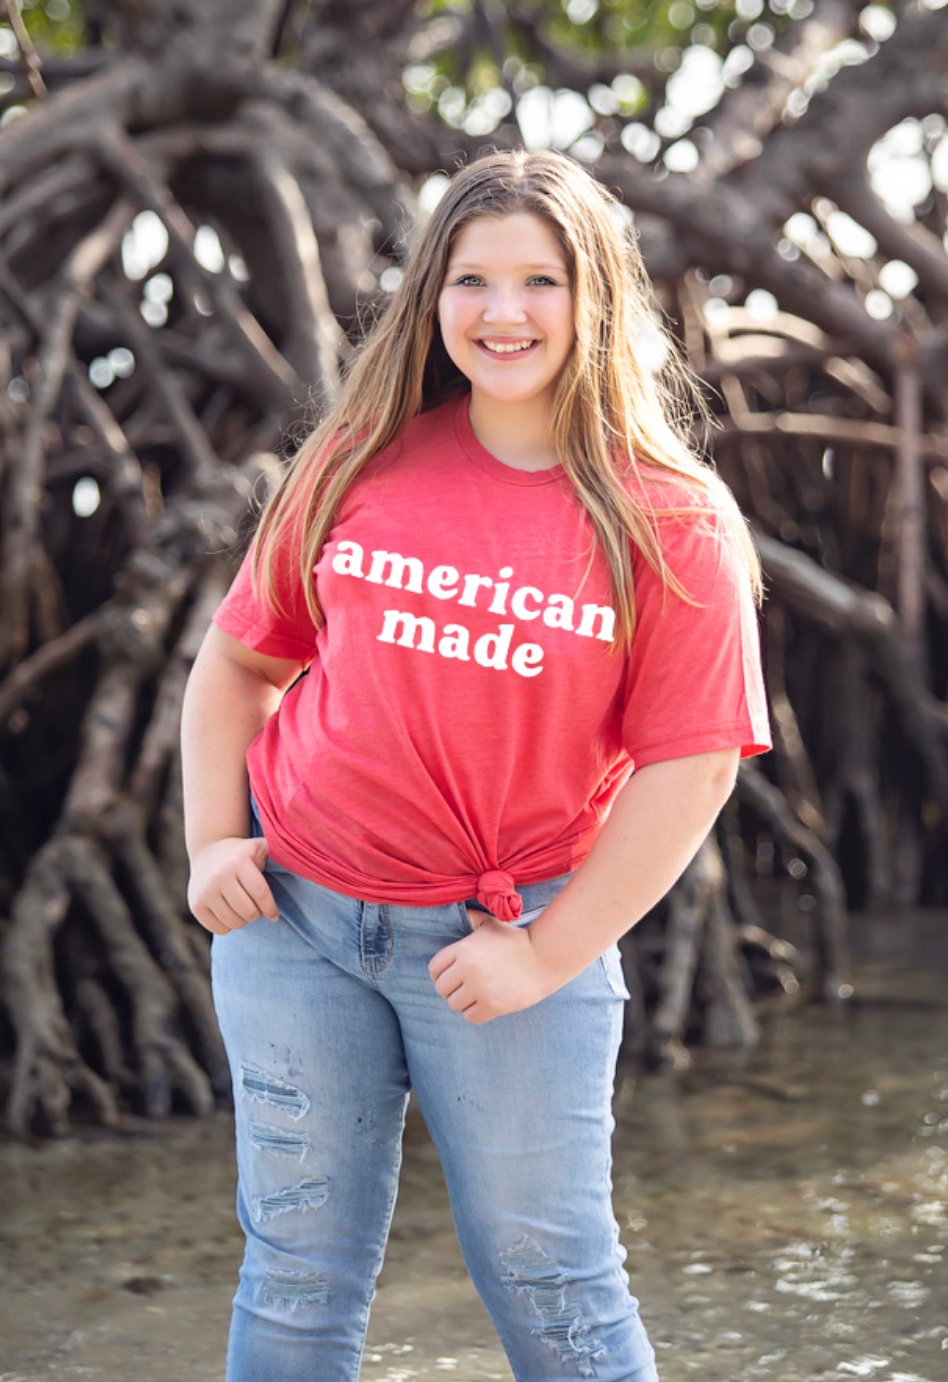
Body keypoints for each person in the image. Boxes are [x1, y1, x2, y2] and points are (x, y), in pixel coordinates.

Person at [181, 148, 770, 1382]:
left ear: (597, 294)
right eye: (472, 279)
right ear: (430, 297)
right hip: (294, 920)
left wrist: (547, 953)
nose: (504, 313)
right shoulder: (355, 458)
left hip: (510, 936)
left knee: (556, 1282)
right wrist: (208, 840)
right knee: (293, 1275)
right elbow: (236, 666)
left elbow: (694, 765)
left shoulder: (670, 517)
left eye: (541, 281)